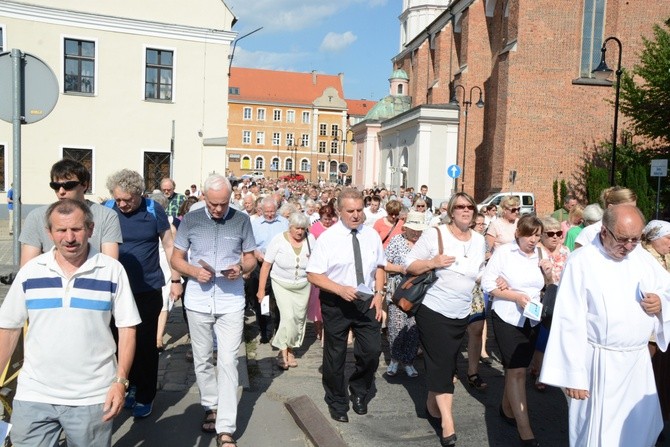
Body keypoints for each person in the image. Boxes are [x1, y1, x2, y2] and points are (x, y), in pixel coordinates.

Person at [0, 199, 140, 447]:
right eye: (61, 230)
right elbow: (9, 329)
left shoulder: (111, 271)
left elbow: (127, 329)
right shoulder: (31, 271)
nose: (69, 237)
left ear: (90, 229)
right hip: (34, 394)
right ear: (49, 233)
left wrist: (120, 382)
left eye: (76, 229)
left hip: (92, 397)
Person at [540, 205, 670, 446]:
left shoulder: (640, 257)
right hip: (599, 364)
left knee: (639, 432)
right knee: (599, 434)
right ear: (604, 232)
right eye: (623, 239)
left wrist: (660, 302)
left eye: (635, 239)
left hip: (637, 364)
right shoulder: (582, 262)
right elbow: (569, 320)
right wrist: (573, 375)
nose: (629, 246)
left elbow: (666, 287)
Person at [171, 174, 256, 447]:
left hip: (231, 300)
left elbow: (251, 257)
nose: (218, 209)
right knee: (202, 357)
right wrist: (194, 272)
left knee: (229, 361)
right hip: (198, 300)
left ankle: (226, 428)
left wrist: (241, 268)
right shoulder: (192, 220)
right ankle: (210, 405)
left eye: (223, 203)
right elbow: (176, 258)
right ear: (204, 197)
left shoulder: (241, 220)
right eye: (213, 204)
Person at [404, 192, 486, 446]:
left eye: (469, 207)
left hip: (461, 312)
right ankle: (447, 422)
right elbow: (409, 264)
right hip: (433, 309)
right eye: (460, 206)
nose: (465, 210)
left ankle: (431, 402)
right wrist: (433, 262)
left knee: (446, 362)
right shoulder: (435, 233)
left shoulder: (480, 240)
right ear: (451, 211)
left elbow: (479, 272)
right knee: (441, 364)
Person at [106, 169, 182, 419]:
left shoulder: (153, 210)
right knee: (117, 343)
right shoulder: (108, 209)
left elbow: (169, 244)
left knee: (146, 345)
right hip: (115, 291)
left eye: (127, 199)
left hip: (147, 288)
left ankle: (145, 395)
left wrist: (175, 277)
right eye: (118, 199)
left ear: (139, 194)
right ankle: (127, 384)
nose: (122, 204)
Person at [306, 188, 386, 424]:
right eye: (350, 211)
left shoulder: (371, 235)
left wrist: (379, 295)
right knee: (335, 355)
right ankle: (337, 401)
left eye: (359, 210)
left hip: (366, 300)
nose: (355, 215)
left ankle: (360, 391)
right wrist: (340, 289)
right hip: (336, 303)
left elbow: (379, 267)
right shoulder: (328, 239)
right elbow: (313, 274)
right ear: (339, 211)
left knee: (372, 352)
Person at [482, 215, 554, 447]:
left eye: (537, 235)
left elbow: (548, 286)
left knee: (518, 369)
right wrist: (514, 296)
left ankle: (506, 409)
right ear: (518, 234)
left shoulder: (542, 254)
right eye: (529, 235)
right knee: (517, 372)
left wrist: (548, 273)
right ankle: (525, 430)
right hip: (507, 317)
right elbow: (488, 284)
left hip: (532, 319)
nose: (533, 240)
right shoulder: (504, 253)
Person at [19, 159, 122, 266]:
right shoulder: (37, 217)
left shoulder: (106, 216)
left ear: (85, 185)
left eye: (68, 185)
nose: (61, 191)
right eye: (55, 186)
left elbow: (110, 265)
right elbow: (27, 267)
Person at [256, 213, 315, 369]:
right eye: (297, 228)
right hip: (281, 284)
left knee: (298, 319)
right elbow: (266, 265)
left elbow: (317, 262)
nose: (300, 232)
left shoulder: (311, 239)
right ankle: (283, 353)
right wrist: (261, 290)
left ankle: (290, 348)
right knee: (288, 317)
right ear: (290, 227)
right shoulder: (278, 240)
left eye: (303, 228)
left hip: (303, 286)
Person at [383, 211, 427, 378]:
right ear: (406, 228)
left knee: (413, 329)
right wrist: (401, 268)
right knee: (396, 327)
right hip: (398, 292)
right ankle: (394, 360)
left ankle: (408, 362)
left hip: (418, 293)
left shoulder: (424, 243)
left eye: (419, 230)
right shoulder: (397, 241)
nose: (416, 233)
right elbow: (384, 262)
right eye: (413, 230)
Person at [529, 217, 570, 392]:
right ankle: (538, 371)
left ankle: (551, 369)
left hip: (562, 298)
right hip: (542, 298)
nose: (555, 237)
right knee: (542, 337)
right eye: (550, 234)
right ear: (542, 235)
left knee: (558, 336)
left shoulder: (567, 251)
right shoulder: (537, 251)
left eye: (558, 233)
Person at [248, 197, 289, 343]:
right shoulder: (255, 224)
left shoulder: (284, 223)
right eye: (267, 212)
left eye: (272, 212)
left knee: (278, 299)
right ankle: (264, 330)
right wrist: (257, 253)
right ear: (261, 211)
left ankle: (278, 328)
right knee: (262, 298)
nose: (270, 215)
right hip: (261, 265)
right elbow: (249, 244)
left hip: (279, 266)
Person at [643, 220, 670, 426]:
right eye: (668, 237)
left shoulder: (665, 257)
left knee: (662, 376)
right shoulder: (644, 259)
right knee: (649, 374)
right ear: (653, 238)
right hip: (650, 330)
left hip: (665, 325)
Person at [466, 212, 491, 389]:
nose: (481, 227)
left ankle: (473, 372)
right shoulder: (452, 238)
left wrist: (484, 277)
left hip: (475, 290)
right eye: (478, 224)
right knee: (455, 333)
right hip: (454, 290)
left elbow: (483, 267)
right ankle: (450, 369)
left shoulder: (481, 241)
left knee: (476, 330)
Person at [307, 202, 338, 341]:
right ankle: (318, 328)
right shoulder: (315, 228)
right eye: (325, 218)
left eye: (329, 218)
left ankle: (328, 328)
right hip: (319, 266)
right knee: (316, 301)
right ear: (320, 217)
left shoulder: (336, 227)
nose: (327, 221)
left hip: (332, 268)